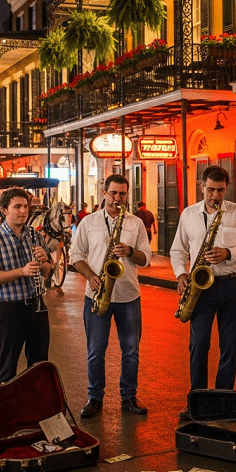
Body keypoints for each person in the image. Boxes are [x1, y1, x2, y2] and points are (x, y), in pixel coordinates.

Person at [171, 166, 236, 419]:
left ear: (226, 188)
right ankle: (197, 401)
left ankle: (223, 402)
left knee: (230, 345)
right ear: (202, 187)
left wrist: (228, 253)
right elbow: (178, 250)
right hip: (200, 287)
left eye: (219, 190)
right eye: (210, 189)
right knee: (198, 345)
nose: (214, 195)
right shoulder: (188, 214)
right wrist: (181, 274)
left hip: (231, 284)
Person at [71, 175, 151, 418]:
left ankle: (129, 397)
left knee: (131, 350)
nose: (118, 198)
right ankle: (95, 398)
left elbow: (146, 258)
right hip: (96, 294)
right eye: (114, 193)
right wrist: (91, 276)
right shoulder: (88, 222)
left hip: (128, 295)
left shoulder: (135, 223)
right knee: (96, 350)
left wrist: (130, 251)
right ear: (104, 192)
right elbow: (76, 256)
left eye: (123, 194)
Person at [0, 188, 53, 385]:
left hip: (37, 307)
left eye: (26, 206)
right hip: (9, 310)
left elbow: (46, 274)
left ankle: (36, 409)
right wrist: (21, 271)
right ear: (4, 210)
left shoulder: (35, 236)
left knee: (39, 365)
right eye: (17, 207)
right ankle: (5, 412)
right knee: (7, 367)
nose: (23, 211)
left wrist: (46, 262)